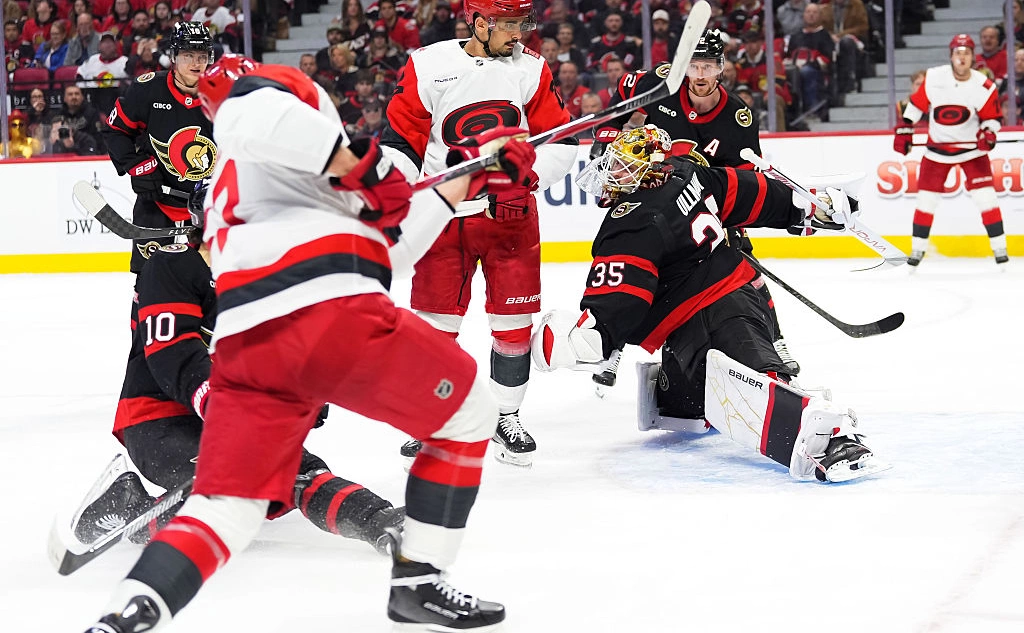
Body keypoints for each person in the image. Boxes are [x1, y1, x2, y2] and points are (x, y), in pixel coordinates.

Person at [83, 53, 535, 633]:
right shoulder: (261, 127)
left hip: (252, 351)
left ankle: (121, 618)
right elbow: (257, 114)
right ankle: (420, 580)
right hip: (325, 314)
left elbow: (389, 250)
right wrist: (360, 168)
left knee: (231, 508)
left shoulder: (292, 178)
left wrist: (468, 180)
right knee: (470, 412)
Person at [538, 124, 886, 484]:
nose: (613, 173)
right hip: (715, 303)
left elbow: (622, 299)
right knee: (689, 404)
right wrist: (807, 210)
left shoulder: (632, 221)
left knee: (756, 385)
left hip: (721, 308)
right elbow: (748, 193)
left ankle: (835, 442)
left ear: (649, 169)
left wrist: (592, 336)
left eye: (623, 165)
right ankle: (683, 397)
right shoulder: (687, 173)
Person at [73, 193, 403, 555]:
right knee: (230, 494)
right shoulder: (171, 268)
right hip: (158, 419)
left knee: (298, 475)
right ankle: (130, 512)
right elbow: (173, 354)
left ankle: (382, 522)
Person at [380, 0, 578, 467]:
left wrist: (522, 180)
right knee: (434, 331)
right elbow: (399, 142)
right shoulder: (428, 65)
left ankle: (504, 417)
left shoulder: (532, 70)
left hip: (509, 217)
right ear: (479, 22)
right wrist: (411, 187)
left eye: (522, 24)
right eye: (509, 24)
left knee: (512, 330)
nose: (519, 34)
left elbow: (562, 142)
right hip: (442, 219)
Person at [598, 29, 803, 376]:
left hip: (702, 203)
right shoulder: (661, 84)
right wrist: (607, 135)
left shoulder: (739, 116)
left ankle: (775, 340)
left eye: (708, 66)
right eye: (694, 66)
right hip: (653, 200)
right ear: (683, 66)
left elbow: (745, 178)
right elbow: (622, 90)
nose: (701, 75)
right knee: (632, 271)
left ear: (721, 67)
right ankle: (612, 347)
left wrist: (732, 223)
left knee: (744, 268)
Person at [102, 21, 216, 275]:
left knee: (211, 283)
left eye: (201, 55)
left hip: (209, 206)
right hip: (157, 201)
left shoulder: (224, 94)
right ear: (174, 57)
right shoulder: (148, 89)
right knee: (148, 281)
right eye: (188, 55)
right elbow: (116, 131)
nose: (196, 63)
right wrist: (136, 166)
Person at [894, 33, 1009, 267]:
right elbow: (916, 105)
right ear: (951, 56)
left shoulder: (984, 86)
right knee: (926, 201)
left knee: (986, 198)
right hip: (937, 151)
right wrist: (905, 128)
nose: (962, 58)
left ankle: (1000, 249)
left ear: (973, 57)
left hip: (971, 152)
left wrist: (988, 132)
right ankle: (917, 250)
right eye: (958, 53)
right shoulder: (934, 77)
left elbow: (993, 118)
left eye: (967, 53)